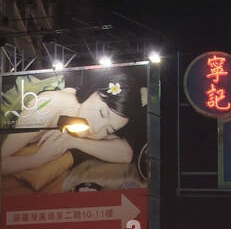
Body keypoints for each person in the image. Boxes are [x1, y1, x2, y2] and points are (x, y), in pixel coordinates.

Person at [1, 69, 147, 185]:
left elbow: (125, 154)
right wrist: (37, 160)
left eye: (109, 130)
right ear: (94, 91)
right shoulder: (50, 105)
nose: (97, 129)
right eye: (102, 113)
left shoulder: (86, 120)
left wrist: (73, 141)